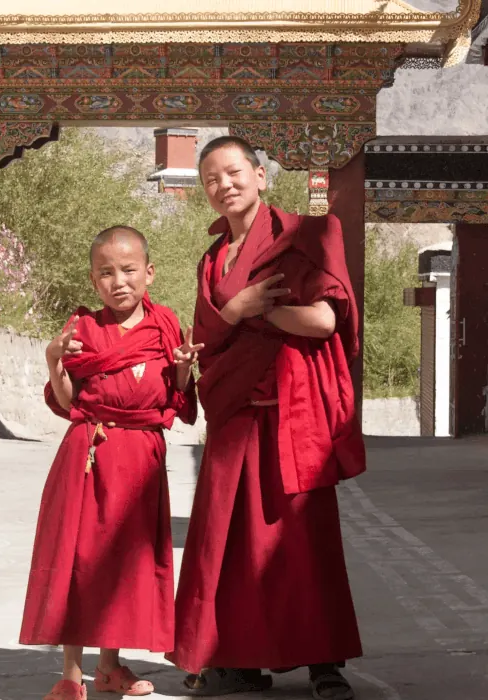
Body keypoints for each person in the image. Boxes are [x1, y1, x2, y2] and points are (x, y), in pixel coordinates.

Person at [167, 137, 366, 700]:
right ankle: (237, 659)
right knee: (228, 545)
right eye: (210, 179)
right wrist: (235, 308)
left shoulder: (307, 235)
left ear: (259, 175)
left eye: (233, 173)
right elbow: (209, 335)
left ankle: (324, 662)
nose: (223, 185)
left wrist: (263, 310)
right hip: (234, 417)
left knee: (302, 543)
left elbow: (325, 322)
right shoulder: (212, 259)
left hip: (291, 413)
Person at [20, 226, 201, 700]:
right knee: (80, 557)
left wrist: (182, 366)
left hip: (141, 457)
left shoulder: (165, 324)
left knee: (126, 561)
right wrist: (54, 362)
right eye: (106, 273)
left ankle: (110, 666)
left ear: (149, 272)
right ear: (93, 279)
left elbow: (178, 400)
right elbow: (68, 403)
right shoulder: (82, 329)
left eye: (128, 269)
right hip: (90, 452)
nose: (119, 281)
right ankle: (71, 675)